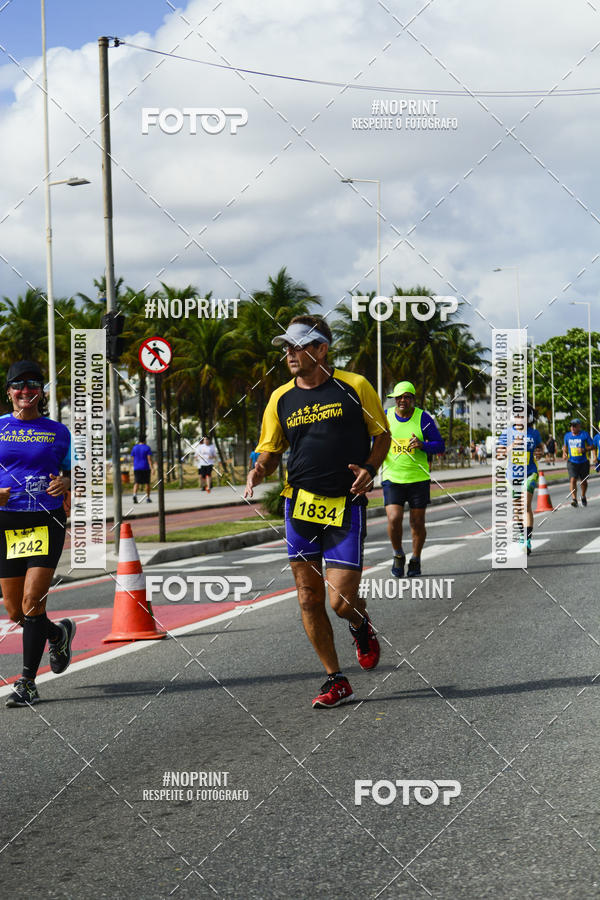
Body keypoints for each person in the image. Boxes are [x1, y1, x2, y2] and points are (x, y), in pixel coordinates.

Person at [244, 315, 391, 709]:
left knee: (340, 602)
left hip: (345, 504)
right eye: (287, 348)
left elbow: (382, 435)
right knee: (308, 598)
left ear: (321, 349)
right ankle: (335, 678)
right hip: (300, 506)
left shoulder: (354, 386)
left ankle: (360, 623)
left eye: (298, 346)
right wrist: (259, 468)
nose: (290, 354)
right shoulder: (280, 398)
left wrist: (370, 468)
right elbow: (271, 450)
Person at [2, 361, 74, 707]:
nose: (26, 392)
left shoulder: (59, 432)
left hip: (46, 520)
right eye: (19, 386)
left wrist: (68, 483)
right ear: (9, 392)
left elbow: (75, 473)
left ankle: (27, 681)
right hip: (7, 524)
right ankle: (57, 634)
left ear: (41, 391)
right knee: (15, 610)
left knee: (33, 602)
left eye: (33, 385)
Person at [382, 381, 445, 578]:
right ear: (394, 399)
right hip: (392, 477)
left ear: (413, 399)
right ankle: (398, 554)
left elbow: (440, 445)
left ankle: (416, 558)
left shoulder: (423, 418)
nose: (402, 400)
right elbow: (377, 444)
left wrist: (422, 444)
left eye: (407, 397)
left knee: (417, 523)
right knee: (394, 518)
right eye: (399, 397)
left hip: (418, 478)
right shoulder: (386, 417)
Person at [562, 418, 594, 506]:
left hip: (583, 462)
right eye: (571, 426)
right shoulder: (567, 436)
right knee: (572, 480)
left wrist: (584, 449)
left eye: (574, 426)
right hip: (572, 462)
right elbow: (565, 446)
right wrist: (564, 453)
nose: (572, 427)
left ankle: (583, 496)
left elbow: (592, 446)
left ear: (579, 426)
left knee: (584, 481)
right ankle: (574, 499)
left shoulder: (584, 434)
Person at [130, 439, 154, 503]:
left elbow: (132, 458)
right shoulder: (147, 448)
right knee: (147, 483)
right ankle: (148, 498)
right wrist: (152, 468)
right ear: (145, 440)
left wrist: (133, 466)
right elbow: (149, 459)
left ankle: (134, 495)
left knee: (136, 482)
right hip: (145, 467)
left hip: (137, 468)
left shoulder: (134, 448)